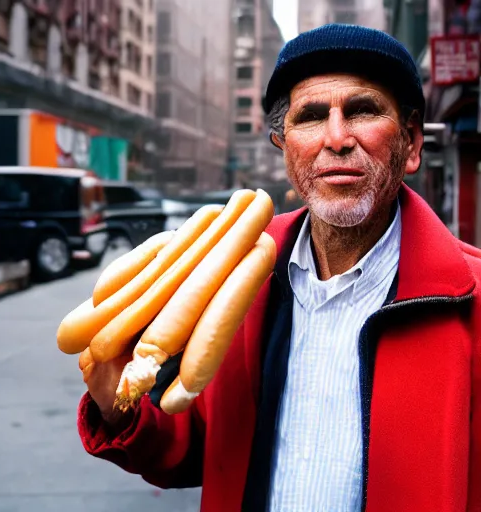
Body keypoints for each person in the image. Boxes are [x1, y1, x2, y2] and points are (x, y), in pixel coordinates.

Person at [77, 24, 481, 512]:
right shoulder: (229, 277)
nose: (337, 138)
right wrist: (117, 405)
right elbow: (189, 449)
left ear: (412, 144)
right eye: (310, 117)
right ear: (286, 150)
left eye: (363, 110)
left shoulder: (470, 299)